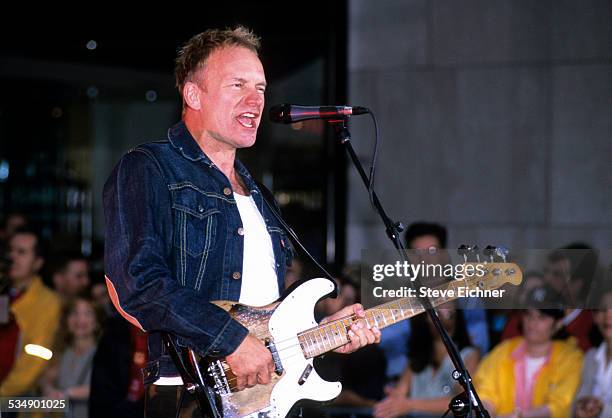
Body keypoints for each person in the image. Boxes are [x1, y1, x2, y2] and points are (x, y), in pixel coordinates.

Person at [103, 25, 380, 417]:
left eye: (262, 88)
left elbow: (265, 317)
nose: (255, 99)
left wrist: (325, 332)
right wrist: (231, 340)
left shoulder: (261, 196)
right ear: (193, 94)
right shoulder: (149, 168)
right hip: (193, 395)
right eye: (238, 85)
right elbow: (139, 282)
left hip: (271, 399)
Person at [475, 285, 583, 418]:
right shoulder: (504, 350)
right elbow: (485, 391)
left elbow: (561, 404)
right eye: (529, 315)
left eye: (542, 317)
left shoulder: (570, 356)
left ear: (558, 323)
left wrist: (519, 416)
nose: (532, 322)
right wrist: (485, 413)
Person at [373, 301, 480, 418]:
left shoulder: (470, 354)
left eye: (447, 301)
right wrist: (392, 399)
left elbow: (465, 400)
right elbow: (399, 394)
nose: (440, 305)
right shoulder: (417, 357)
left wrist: (410, 405)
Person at [0, 227, 61, 397]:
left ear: (38, 263)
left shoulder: (48, 303)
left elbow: (35, 358)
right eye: (10, 250)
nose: (12, 257)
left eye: (21, 252)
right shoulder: (5, 292)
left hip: (21, 400)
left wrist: (3, 393)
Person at [40, 296, 103, 418]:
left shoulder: (104, 353)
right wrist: (49, 391)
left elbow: (103, 388)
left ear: (97, 321)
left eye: (88, 313)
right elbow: (47, 379)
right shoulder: (62, 351)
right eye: (74, 312)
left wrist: (65, 394)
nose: (80, 319)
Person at [574, 288, 612, 418]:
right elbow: (579, 400)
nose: (608, 315)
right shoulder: (590, 356)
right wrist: (580, 408)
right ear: (595, 317)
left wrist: (602, 409)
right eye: (602, 310)